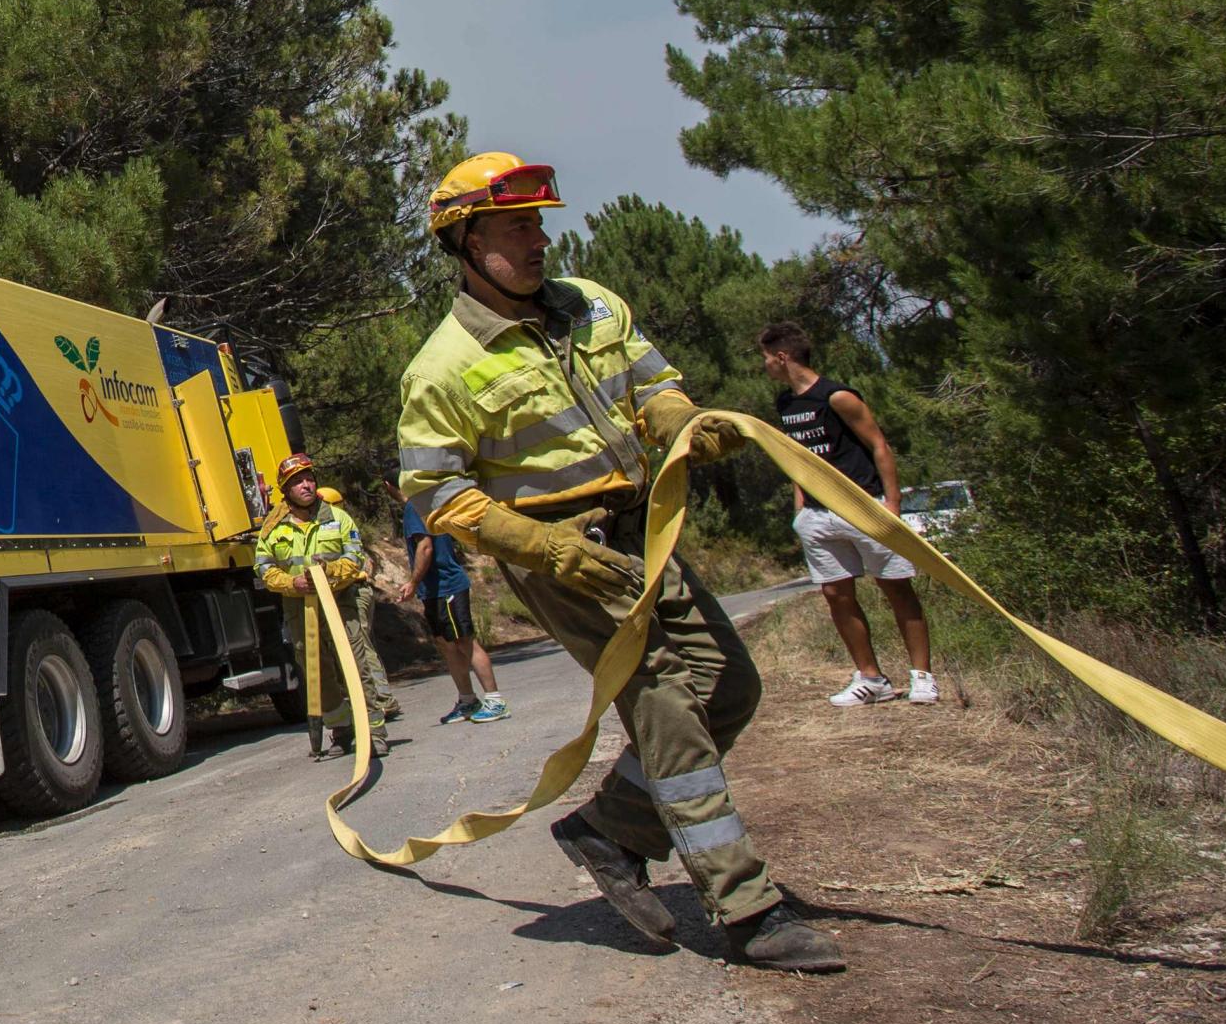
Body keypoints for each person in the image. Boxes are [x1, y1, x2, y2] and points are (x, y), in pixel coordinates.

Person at [395, 151, 842, 972]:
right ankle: (747, 907)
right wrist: (551, 549)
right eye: (516, 227)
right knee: (666, 704)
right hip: (563, 560)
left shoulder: (594, 305)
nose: (537, 242)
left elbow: (655, 386)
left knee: (730, 687)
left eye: (539, 223)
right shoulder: (442, 368)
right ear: (465, 242)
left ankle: (607, 832)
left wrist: (685, 425)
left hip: (646, 529)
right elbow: (440, 496)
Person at [758, 323, 936, 707]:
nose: (766, 366)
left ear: (783, 357)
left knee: (895, 588)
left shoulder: (837, 397)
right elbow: (797, 460)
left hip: (864, 507)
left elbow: (879, 446)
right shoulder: (786, 405)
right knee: (836, 593)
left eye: (767, 358)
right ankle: (871, 679)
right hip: (819, 516)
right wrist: (800, 509)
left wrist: (891, 506)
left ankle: (922, 677)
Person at [256, 454, 404, 745]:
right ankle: (342, 728)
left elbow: (354, 558)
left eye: (309, 479)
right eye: (297, 482)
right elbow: (263, 568)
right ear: (285, 490)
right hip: (299, 606)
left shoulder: (337, 518)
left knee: (356, 665)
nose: (306, 486)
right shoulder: (274, 528)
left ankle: (373, 732)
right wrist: (292, 582)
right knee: (316, 670)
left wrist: (328, 572)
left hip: (340, 601)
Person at [401, 492, 503, 722]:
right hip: (434, 591)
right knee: (447, 645)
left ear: (389, 485)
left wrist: (413, 581)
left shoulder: (413, 507)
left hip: (447, 587)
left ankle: (495, 700)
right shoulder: (426, 504)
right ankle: (467, 700)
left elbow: (425, 546)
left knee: (465, 642)